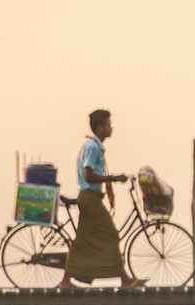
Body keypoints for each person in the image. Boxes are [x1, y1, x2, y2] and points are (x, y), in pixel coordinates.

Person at [59, 109, 145, 288]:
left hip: (91, 197)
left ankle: (67, 279)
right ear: (100, 128)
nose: (111, 128)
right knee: (111, 235)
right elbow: (88, 175)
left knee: (83, 240)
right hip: (89, 198)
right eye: (108, 125)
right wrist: (113, 178)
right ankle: (124, 279)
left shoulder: (95, 146)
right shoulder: (92, 147)